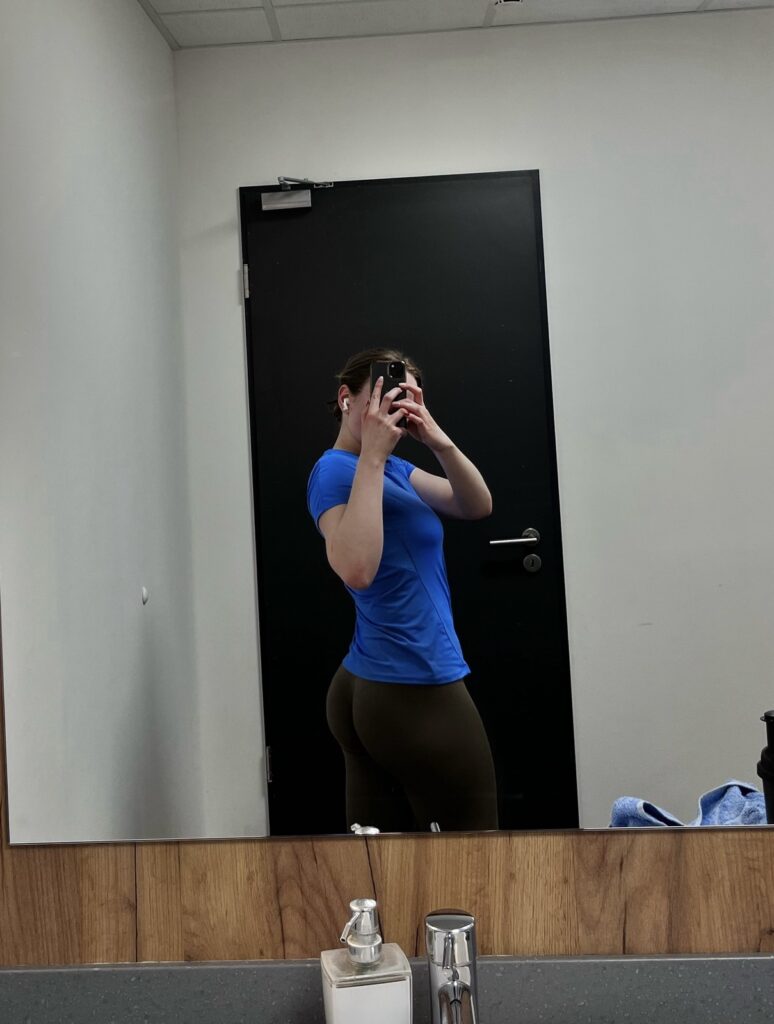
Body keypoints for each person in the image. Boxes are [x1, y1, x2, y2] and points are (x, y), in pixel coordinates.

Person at [306, 348, 498, 833]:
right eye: (382, 395)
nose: (392, 407)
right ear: (346, 398)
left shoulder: (393, 469)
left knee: (379, 861)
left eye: (403, 396)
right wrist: (372, 454)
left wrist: (437, 439)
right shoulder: (335, 471)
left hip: (374, 683)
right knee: (477, 852)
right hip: (411, 684)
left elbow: (475, 504)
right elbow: (356, 569)